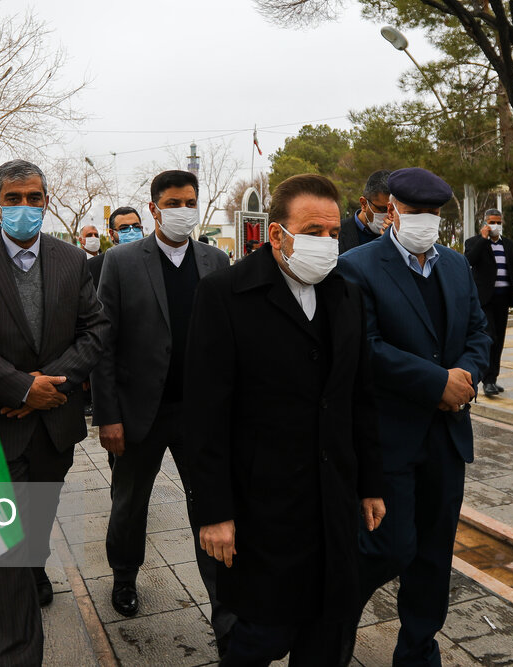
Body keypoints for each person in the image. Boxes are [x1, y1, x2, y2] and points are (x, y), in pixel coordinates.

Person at [187, 174, 385, 665]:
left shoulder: (346, 295)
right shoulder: (224, 295)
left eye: (333, 233)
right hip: (262, 509)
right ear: (277, 235)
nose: (326, 243)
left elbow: (360, 397)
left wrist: (371, 483)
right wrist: (214, 512)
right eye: (313, 232)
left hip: (331, 503)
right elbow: (205, 414)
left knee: (328, 636)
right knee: (257, 639)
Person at [338, 167, 490, 666]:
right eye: (414, 212)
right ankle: (331, 627)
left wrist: (465, 374)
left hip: (446, 438)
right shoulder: (357, 266)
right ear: (392, 211)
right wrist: (435, 384)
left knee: (433, 557)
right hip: (389, 440)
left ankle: (419, 650)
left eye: (434, 214)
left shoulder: (454, 266)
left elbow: (477, 333)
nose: (425, 221)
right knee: (387, 550)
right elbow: (366, 347)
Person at [90, 170, 233, 638]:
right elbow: (103, 345)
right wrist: (107, 415)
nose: (183, 211)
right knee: (130, 503)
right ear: (154, 209)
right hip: (140, 414)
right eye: (173, 203)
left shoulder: (216, 260)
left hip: (201, 415)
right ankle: (125, 576)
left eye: (190, 202)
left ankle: (223, 600)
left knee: (210, 503)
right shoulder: (123, 262)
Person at [0, 159, 108, 666]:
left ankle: (36, 567)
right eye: (13, 199)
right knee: (6, 553)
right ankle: (18, 656)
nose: (24, 208)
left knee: (33, 532)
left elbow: (95, 329)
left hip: (55, 426)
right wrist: (18, 387)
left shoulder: (71, 260)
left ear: (46, 202)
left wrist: (49, 384)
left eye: (34, 198)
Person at [464, 208, 513, 396]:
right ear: (485, 223)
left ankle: (492, 380)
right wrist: (483, 239)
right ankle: (483, 378)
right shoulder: (474, 242)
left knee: (499, 341)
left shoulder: (509, 246)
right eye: (492, 222)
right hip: (484, 300)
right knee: (490, 337)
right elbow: (469, 261)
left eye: (498, 222)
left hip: (502, 299)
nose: (495, 226)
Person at [88, 206, 143, 291]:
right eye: (124, 228)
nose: (132, 232)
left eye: (136, 227)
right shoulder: (93, 266)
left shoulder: (155, 259)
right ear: (111, 234)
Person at [339, 169, 392, 254]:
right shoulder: (337, 232)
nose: (389, 215)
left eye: (393, 210)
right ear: (364, 204)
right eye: (382, 209)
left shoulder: (401, 236)